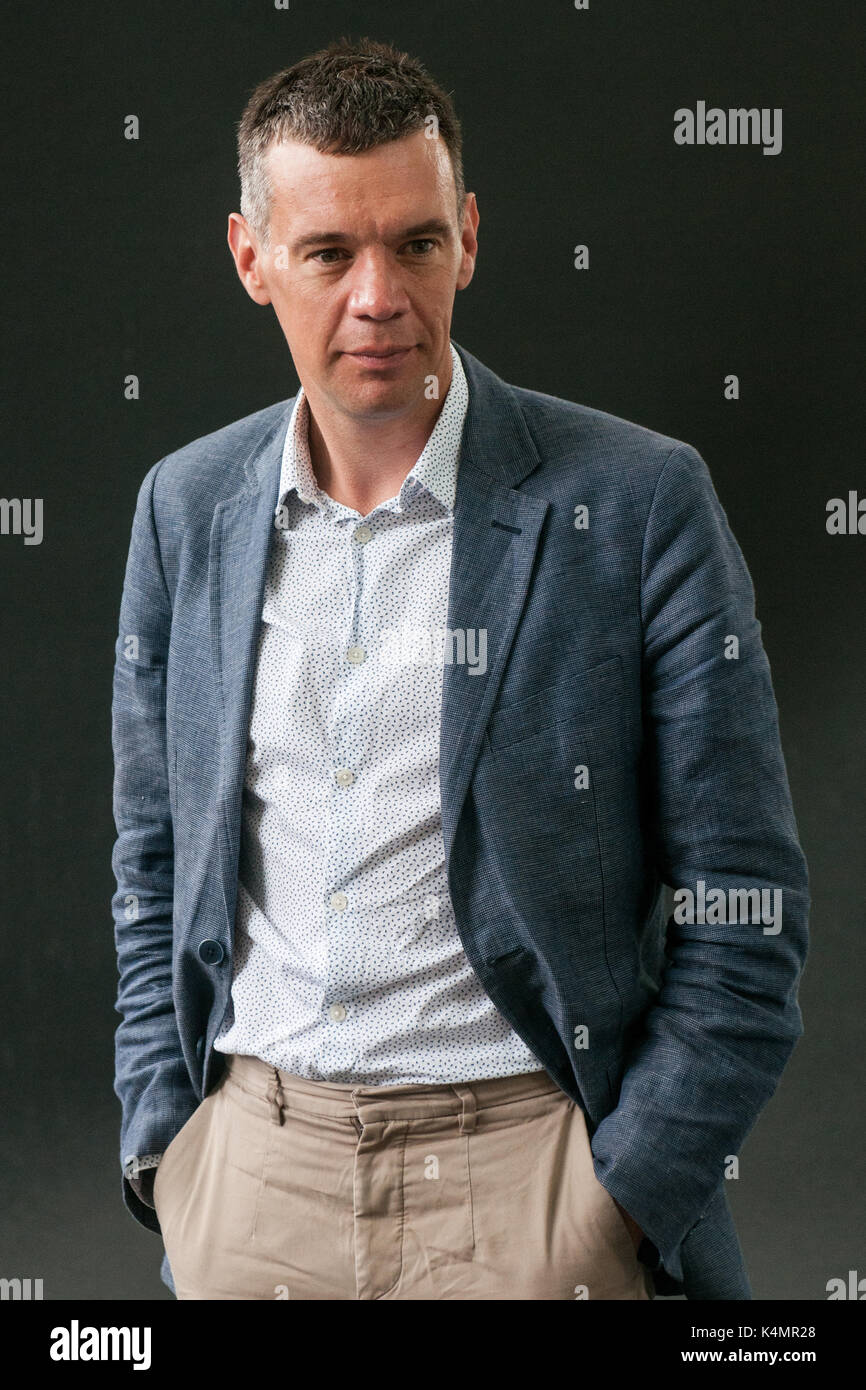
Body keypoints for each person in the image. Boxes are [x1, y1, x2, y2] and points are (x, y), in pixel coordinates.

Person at [110, 36, 809, 1301]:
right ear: (250, 258)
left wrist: (620, 1205)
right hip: (253, 1188)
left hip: (532, 1189)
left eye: (415, 244)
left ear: (468, 238)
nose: (377, 295)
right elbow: (152, 858)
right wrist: (171, 1154)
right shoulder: (186, 508)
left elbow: (743, 905)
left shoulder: (637, 501)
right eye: (327, 252)